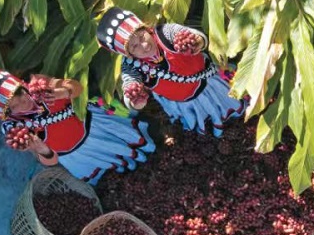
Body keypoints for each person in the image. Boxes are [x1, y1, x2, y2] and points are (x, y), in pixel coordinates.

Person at [0, 68, 155, 185]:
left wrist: (62, 92)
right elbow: (51, 161)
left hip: (94, 127)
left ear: (21, 86)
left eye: (20, 95)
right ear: (7, 114)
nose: (23, 103)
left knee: (130, 144)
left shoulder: (38, 85)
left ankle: (152, 151)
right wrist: (42, 149)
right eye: (14, 106)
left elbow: (78, 88)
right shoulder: (18, 130)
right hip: (77, 155)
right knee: (113, 174)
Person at [96, 7, 246, 137]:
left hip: (210, 83)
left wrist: (196, 42)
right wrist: (136, 100)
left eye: (142, 37)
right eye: (134, 46)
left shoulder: (165, 32)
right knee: (206, 120)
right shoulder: (131, 67)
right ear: (128, 53)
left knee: (232, 102)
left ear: (146, 29)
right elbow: (129, 84)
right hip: (184, 102)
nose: (144, 45)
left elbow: (188, 34)